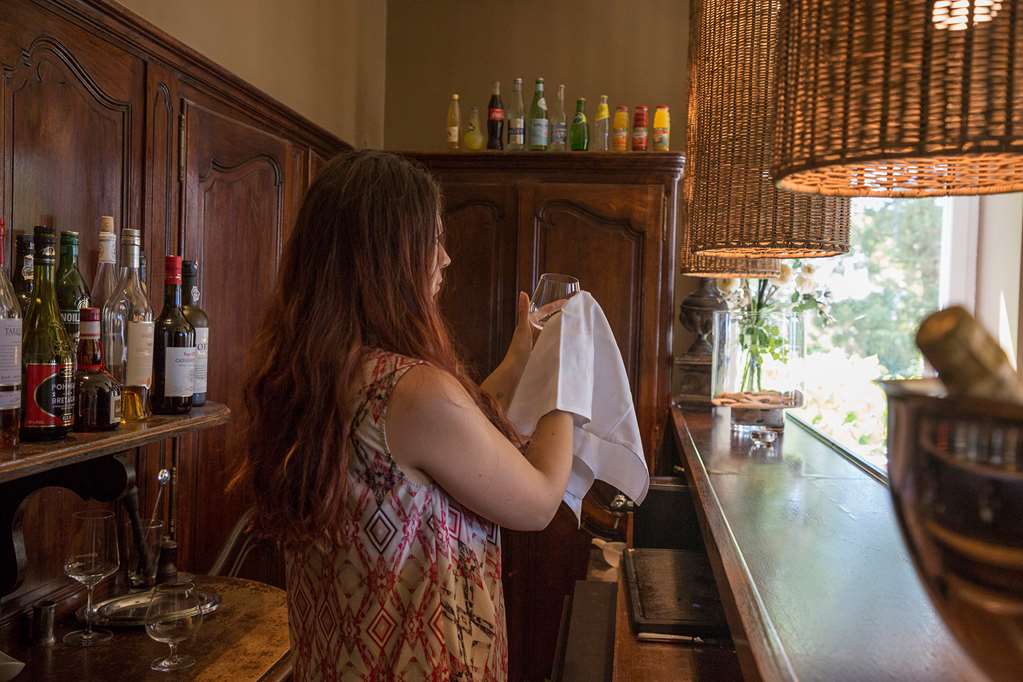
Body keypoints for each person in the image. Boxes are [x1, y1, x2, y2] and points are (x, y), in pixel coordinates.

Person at [239, 149, 574, 681]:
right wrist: (565, 378)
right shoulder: (415, 392)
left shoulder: (314, 372)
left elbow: (454, 439)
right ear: (385, 257)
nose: (446, 258)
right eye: (431, 241)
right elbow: (539, 502)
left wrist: (518, 361)